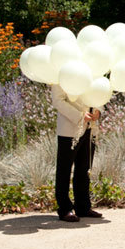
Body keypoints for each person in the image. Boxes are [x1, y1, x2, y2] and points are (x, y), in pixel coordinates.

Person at [51, 84, 103, 223]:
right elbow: (58, 100)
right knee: (64, 169)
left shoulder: (93, 67)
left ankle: (83, 207)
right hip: (69, 128)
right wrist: (79, 116)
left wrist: (98, 110)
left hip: (90, 128)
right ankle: (65, 209)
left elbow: (100, 92)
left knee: (84, 169)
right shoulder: (60, 72)